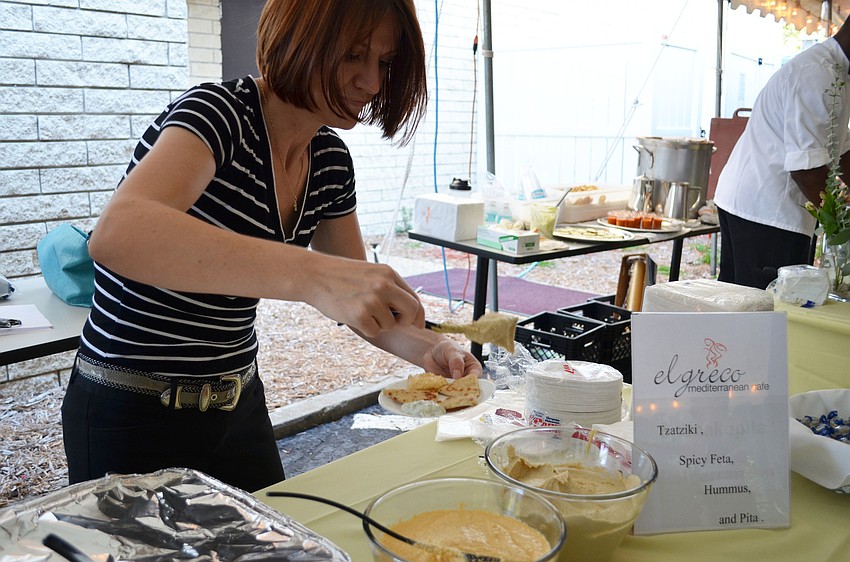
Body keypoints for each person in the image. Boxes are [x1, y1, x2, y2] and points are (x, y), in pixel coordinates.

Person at [60, 0, 482, 493]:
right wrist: (310, 274)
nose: (371, 82)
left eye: (384, 63)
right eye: (353, 56)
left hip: (238, 404)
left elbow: (359, 304)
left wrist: (434, 349)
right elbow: (120, 235)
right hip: (129, 406)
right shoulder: (218, 115)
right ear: (299, 37)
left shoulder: (329, 161)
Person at [713, 21, 850, 289]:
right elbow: (807, 172)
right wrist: (843, 225)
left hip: (756, 204)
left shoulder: (838, 75)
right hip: (767, 213)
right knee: (764, 313)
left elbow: (842, 152)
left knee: (741, 308)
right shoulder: (817, 74)